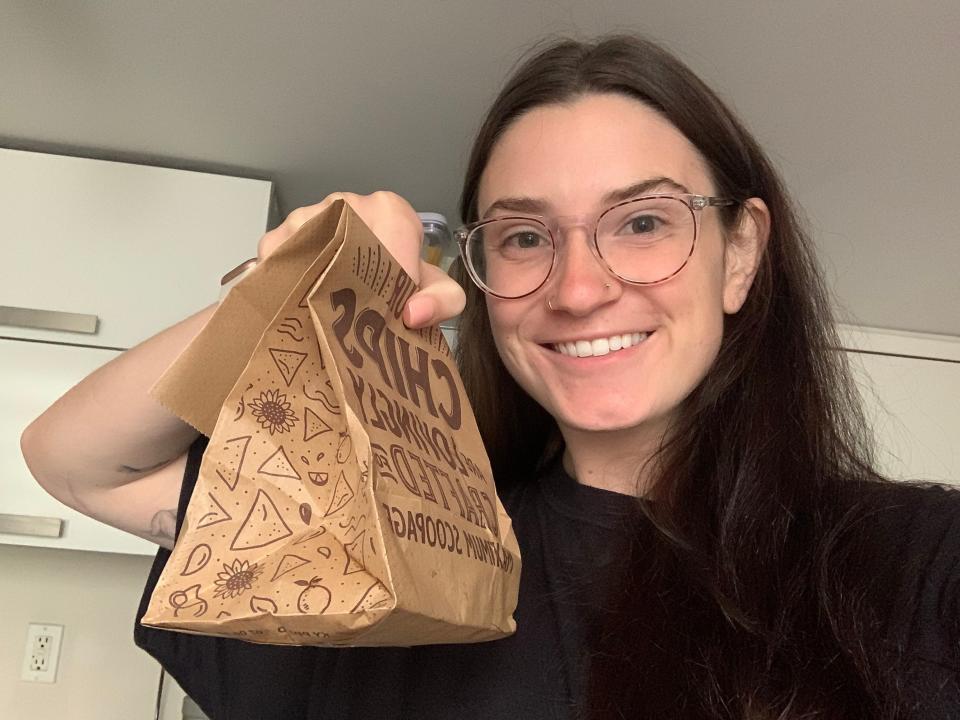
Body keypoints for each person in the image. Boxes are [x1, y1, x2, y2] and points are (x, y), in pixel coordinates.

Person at [20, 35, 959, 720]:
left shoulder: (914, 564)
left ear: (741, 253)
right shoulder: (387, 536)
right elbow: (72, 460)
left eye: (642, 221)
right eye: (523, 237)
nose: (581, 288)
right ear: (481, 274)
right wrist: (294, 288)